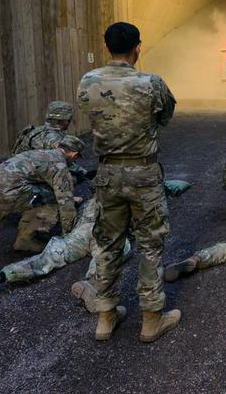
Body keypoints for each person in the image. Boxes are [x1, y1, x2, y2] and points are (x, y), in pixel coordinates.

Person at [76, 22, 179, 343]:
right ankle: (151, 320)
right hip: (144, 175)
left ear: (107, 48)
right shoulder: (152, 84)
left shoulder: (88, 82)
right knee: (150, 244)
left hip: (107, 174)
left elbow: (88, 111)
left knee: (107, 244)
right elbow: (165, 117)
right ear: (139, 48)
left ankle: (105, 318)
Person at [0, 181, 192, 313]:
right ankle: (91, 285)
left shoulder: (91, 200)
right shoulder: (134, 199)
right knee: (108, 256)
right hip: (108, 234)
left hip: (79, 233)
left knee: (44, 260)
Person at [0, 135, 85, 253]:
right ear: (74, 154)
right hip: (4, 196)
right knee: (53, 200)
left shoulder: (39, 153)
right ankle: (25, 240)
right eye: (76, 158)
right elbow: (65, 203)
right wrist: (69, 234)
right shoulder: (59, 166)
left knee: (42, 190)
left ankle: (8, 209)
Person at [11, 100, 92, 183]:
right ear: (64, 120)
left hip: (17, 171)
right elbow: (61, 161)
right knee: (70, 180)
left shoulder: (39, 130)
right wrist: (84, 174)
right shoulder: (52, 138)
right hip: (22, 179)